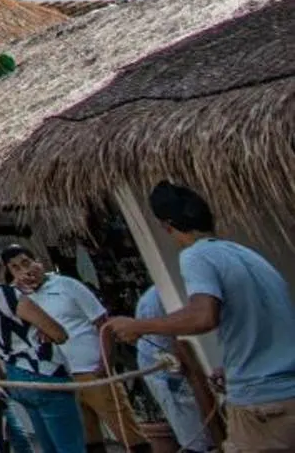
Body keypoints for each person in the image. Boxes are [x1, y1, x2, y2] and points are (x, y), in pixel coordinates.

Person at [107, 183, 295, 453]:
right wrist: (230, 368)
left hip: (262, 404)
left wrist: (139, 326)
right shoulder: (245, 254)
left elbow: (203, 316)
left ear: (167, 226)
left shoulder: (196, 255)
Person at [9, 248, 139, 451]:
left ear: (38, 262)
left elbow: (102, 322)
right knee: (88, 441)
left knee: (127, 433)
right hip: (62, 377)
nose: (24, 271)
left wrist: (106, 362)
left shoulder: (67, 285)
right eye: (15, 268)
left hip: (92, 370)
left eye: (26, 263)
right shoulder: (19, 300)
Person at [0, 240, 89, 453]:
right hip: (43, 371)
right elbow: (59, 333)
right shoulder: (9, 294)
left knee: (47, 445)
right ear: (0, 266)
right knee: (70, 446)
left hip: (16, 373)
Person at [134, 283, 216, 453]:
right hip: (165, 369)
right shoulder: (156, 298)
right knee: (191, 429)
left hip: (176, 364)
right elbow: (161, 346)